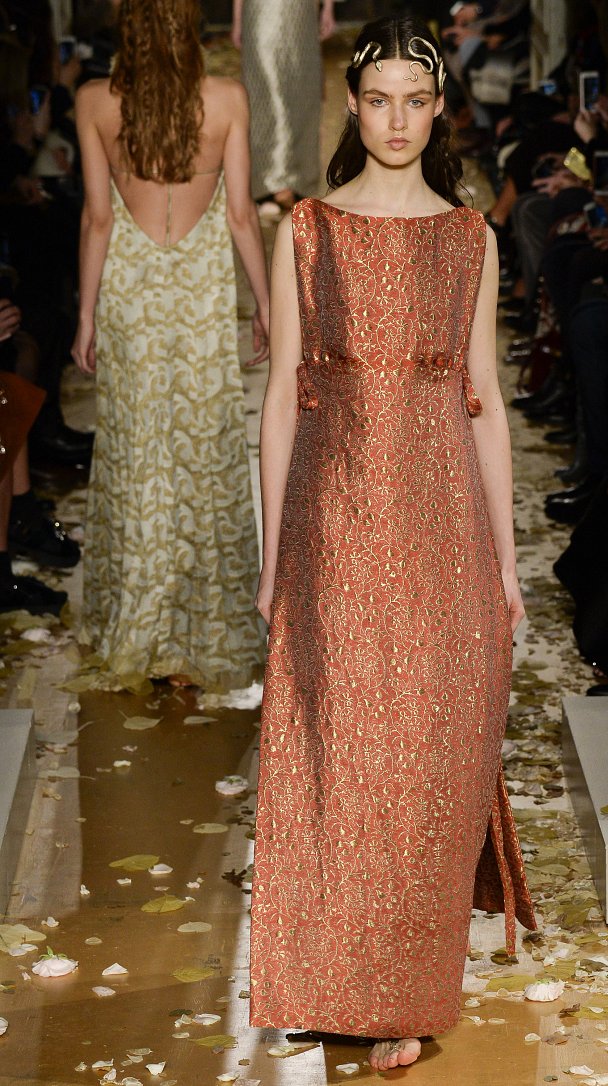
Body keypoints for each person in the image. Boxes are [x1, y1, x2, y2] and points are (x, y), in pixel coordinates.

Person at [249, 16, 535, 1071]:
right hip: (330, 527)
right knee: (341, 753)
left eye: (416, 100)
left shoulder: (469, 239)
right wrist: (273, 557)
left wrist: (505, 560)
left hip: (442, 524)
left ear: (440, 108)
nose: (397, 120)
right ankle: (340, 980)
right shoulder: (308, 231)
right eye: (379, 100)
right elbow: (280, 400)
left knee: (427, 759)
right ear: (353, 106)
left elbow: (486, 405)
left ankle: (405, 995)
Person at [71, 0, 269, 693]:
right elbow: (240, 214)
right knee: (204, 446)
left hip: (130, 290)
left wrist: (86, 315)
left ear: (127, 24)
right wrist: (266, 305)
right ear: (190, 24)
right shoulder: (226, 98)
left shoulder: (94, 101)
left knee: (137, 451)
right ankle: (201, 632)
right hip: (199, 293)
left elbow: (99, 218)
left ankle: (139, 623)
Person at [231, 0, 335, 214]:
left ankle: (298, 181)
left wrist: (328, 7)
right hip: (259, 8)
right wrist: (238, 17)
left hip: (301, 10)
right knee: (263, 87)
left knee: (301, 85)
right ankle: (267, 184)